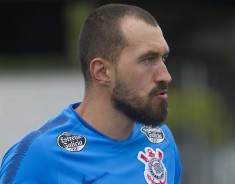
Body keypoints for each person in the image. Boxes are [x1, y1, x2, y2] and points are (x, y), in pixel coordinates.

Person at [0, 3, 182, 184]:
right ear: (102, 72)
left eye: (163, 58)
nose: (165, 75)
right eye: (148, 59)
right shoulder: (41, 155)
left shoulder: (161, 141)